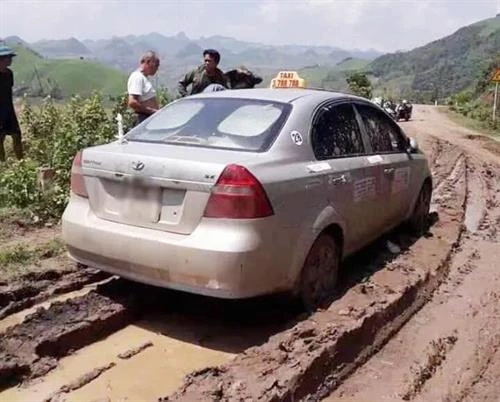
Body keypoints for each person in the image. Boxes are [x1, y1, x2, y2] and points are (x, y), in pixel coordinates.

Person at [0, 45, 23, 161]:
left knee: (17, 135)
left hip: (8, 109)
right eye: (8, 57)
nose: (10, 60)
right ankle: (2, 164)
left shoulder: (9, 74)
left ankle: (21, 162)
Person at [127, 50, 160, 126]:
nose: (157, 69)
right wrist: (152, 111)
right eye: (156, 65)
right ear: (148, 62)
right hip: (143, 119)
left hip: (148, 119)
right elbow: (132, 102)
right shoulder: (137, 77)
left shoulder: (144, 78)